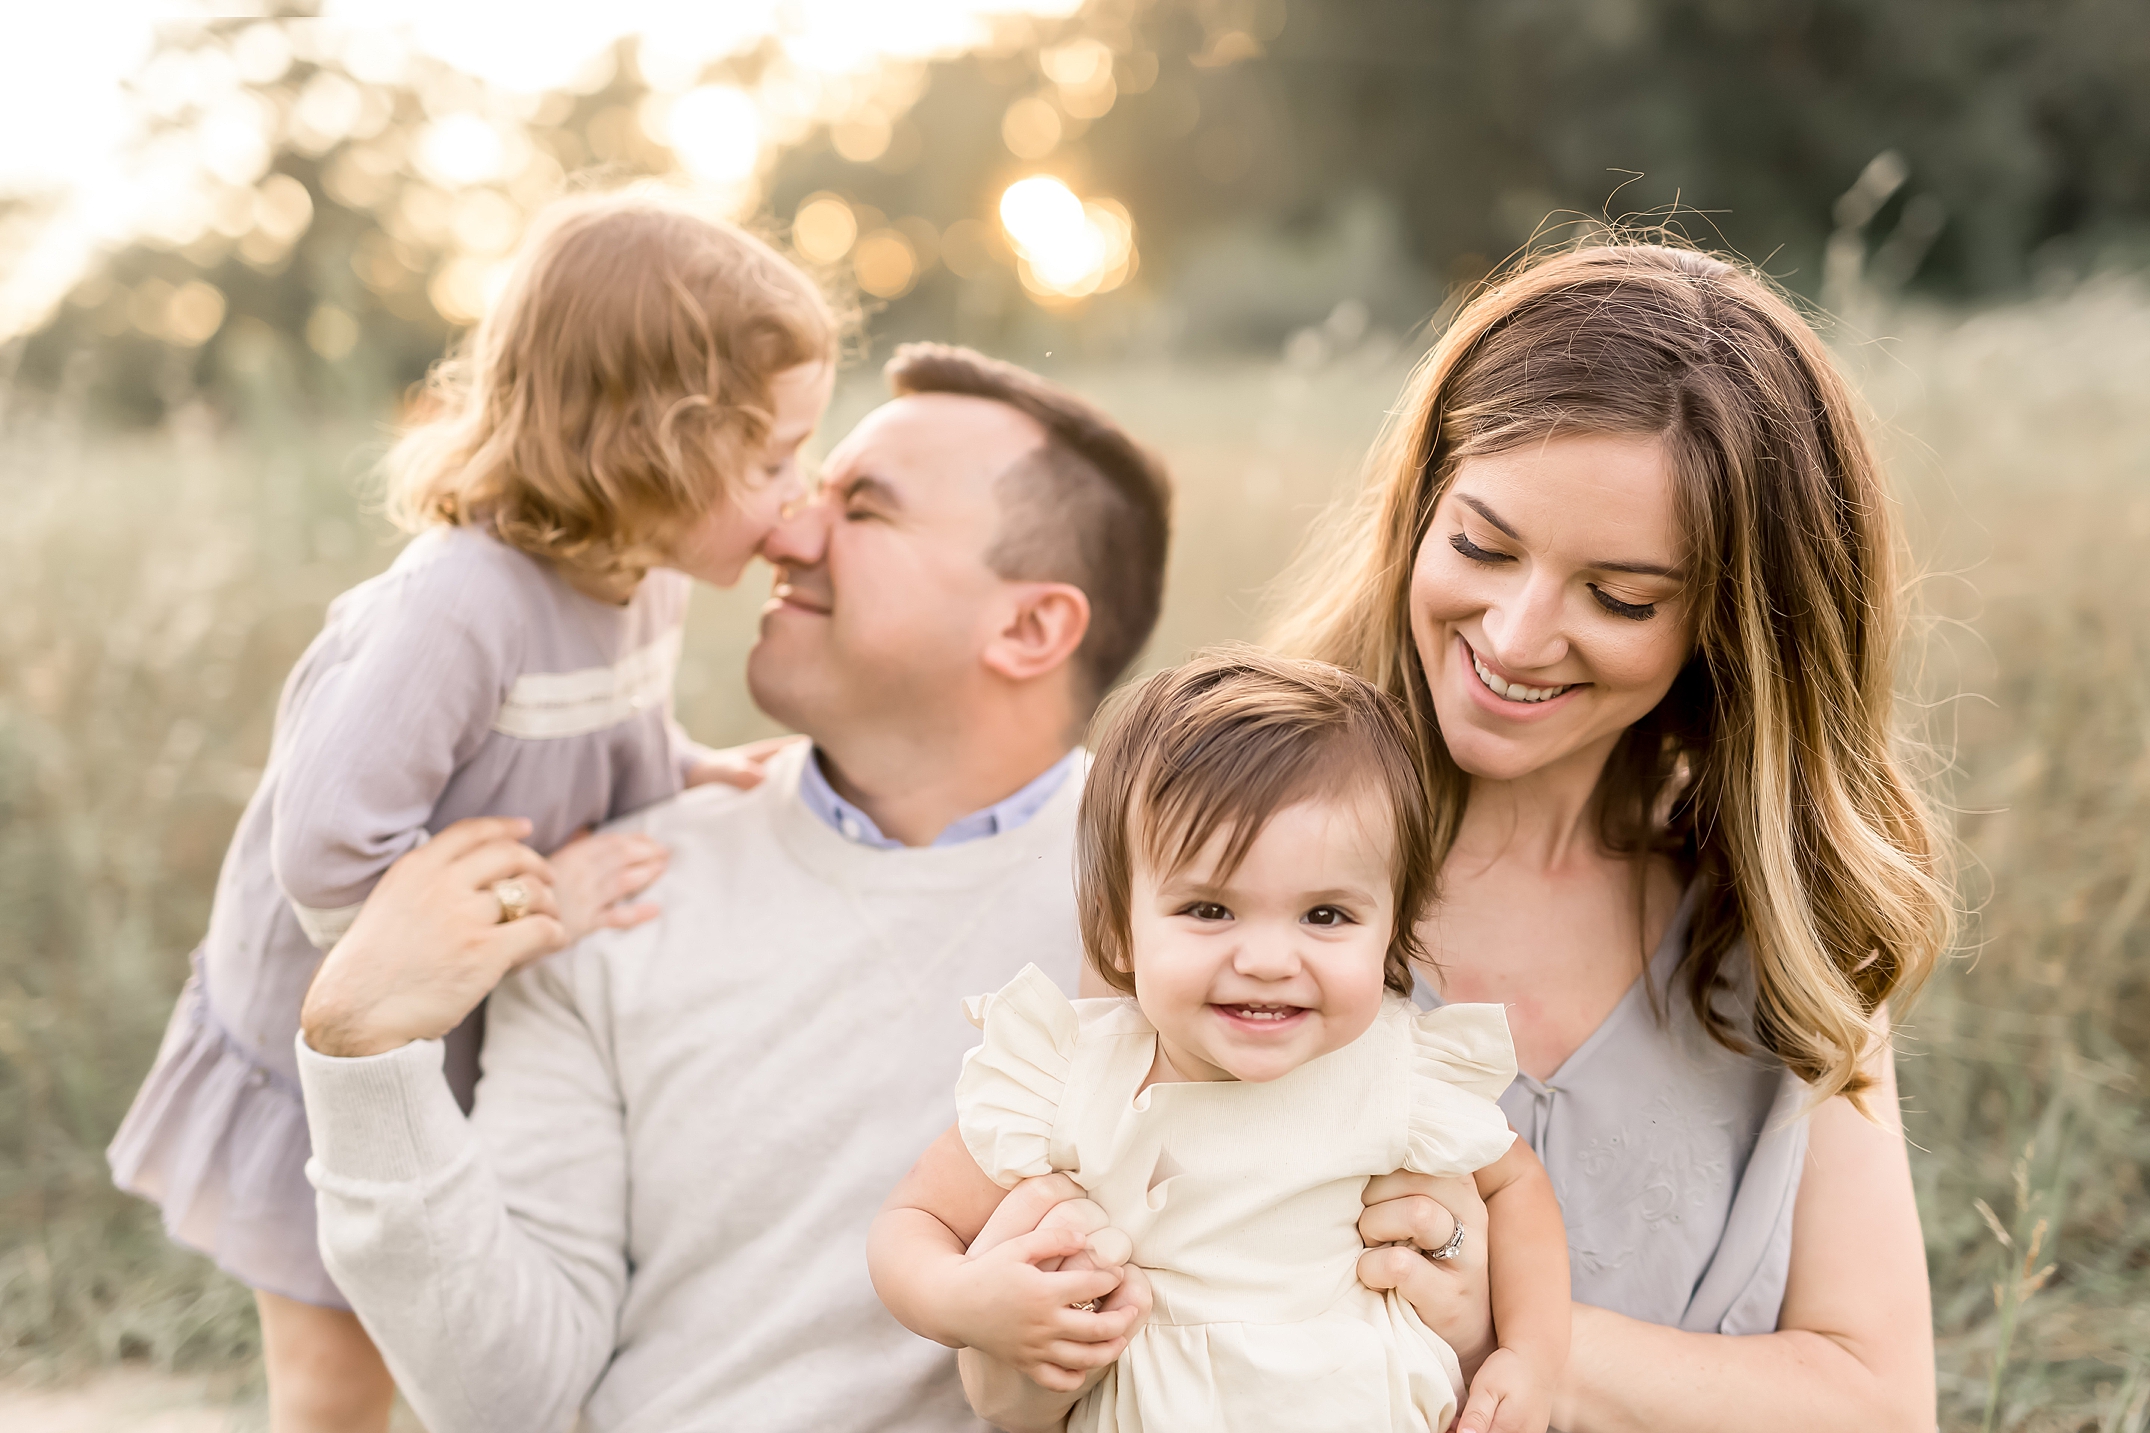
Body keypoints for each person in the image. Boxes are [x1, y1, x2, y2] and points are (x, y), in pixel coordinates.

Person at [291, 344, 1175, 1433]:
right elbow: (506, 1400)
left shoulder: (1197, 921)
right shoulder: (613, 888)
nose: (784, 531)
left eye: (864, 508)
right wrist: (366, 1065)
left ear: (1029, 626)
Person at [106, 191, 837, 1433]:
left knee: (458, 1340)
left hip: (468, 1038)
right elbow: (330, 851)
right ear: (644, 445)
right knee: (340, 1383)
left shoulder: (638, 584)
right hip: (346, 1045)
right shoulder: (459, 603)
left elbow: (586, 739)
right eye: (770, 460)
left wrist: (682, 766)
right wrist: (545, 900)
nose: (799, 495)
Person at [1275, 242, 1955, 1431]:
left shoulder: (1784, 931)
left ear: (1733, 626)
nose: (1515, 632)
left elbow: (1874, 1402)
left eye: (1620, 596)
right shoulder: (1238, 855)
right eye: (1481, 545)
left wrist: (1518, 1328)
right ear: (1418, 508)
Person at [871, 650, 1572, 1433]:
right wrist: (966, 1301)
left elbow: (1517, 1189)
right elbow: (913, 1220)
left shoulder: (1394, 1071)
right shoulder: (1077, 1077)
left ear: (1390, 933)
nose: (1268, 961)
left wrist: (1532, 1355)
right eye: (1210, 909)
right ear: (1117, 928)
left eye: (1326, 915)